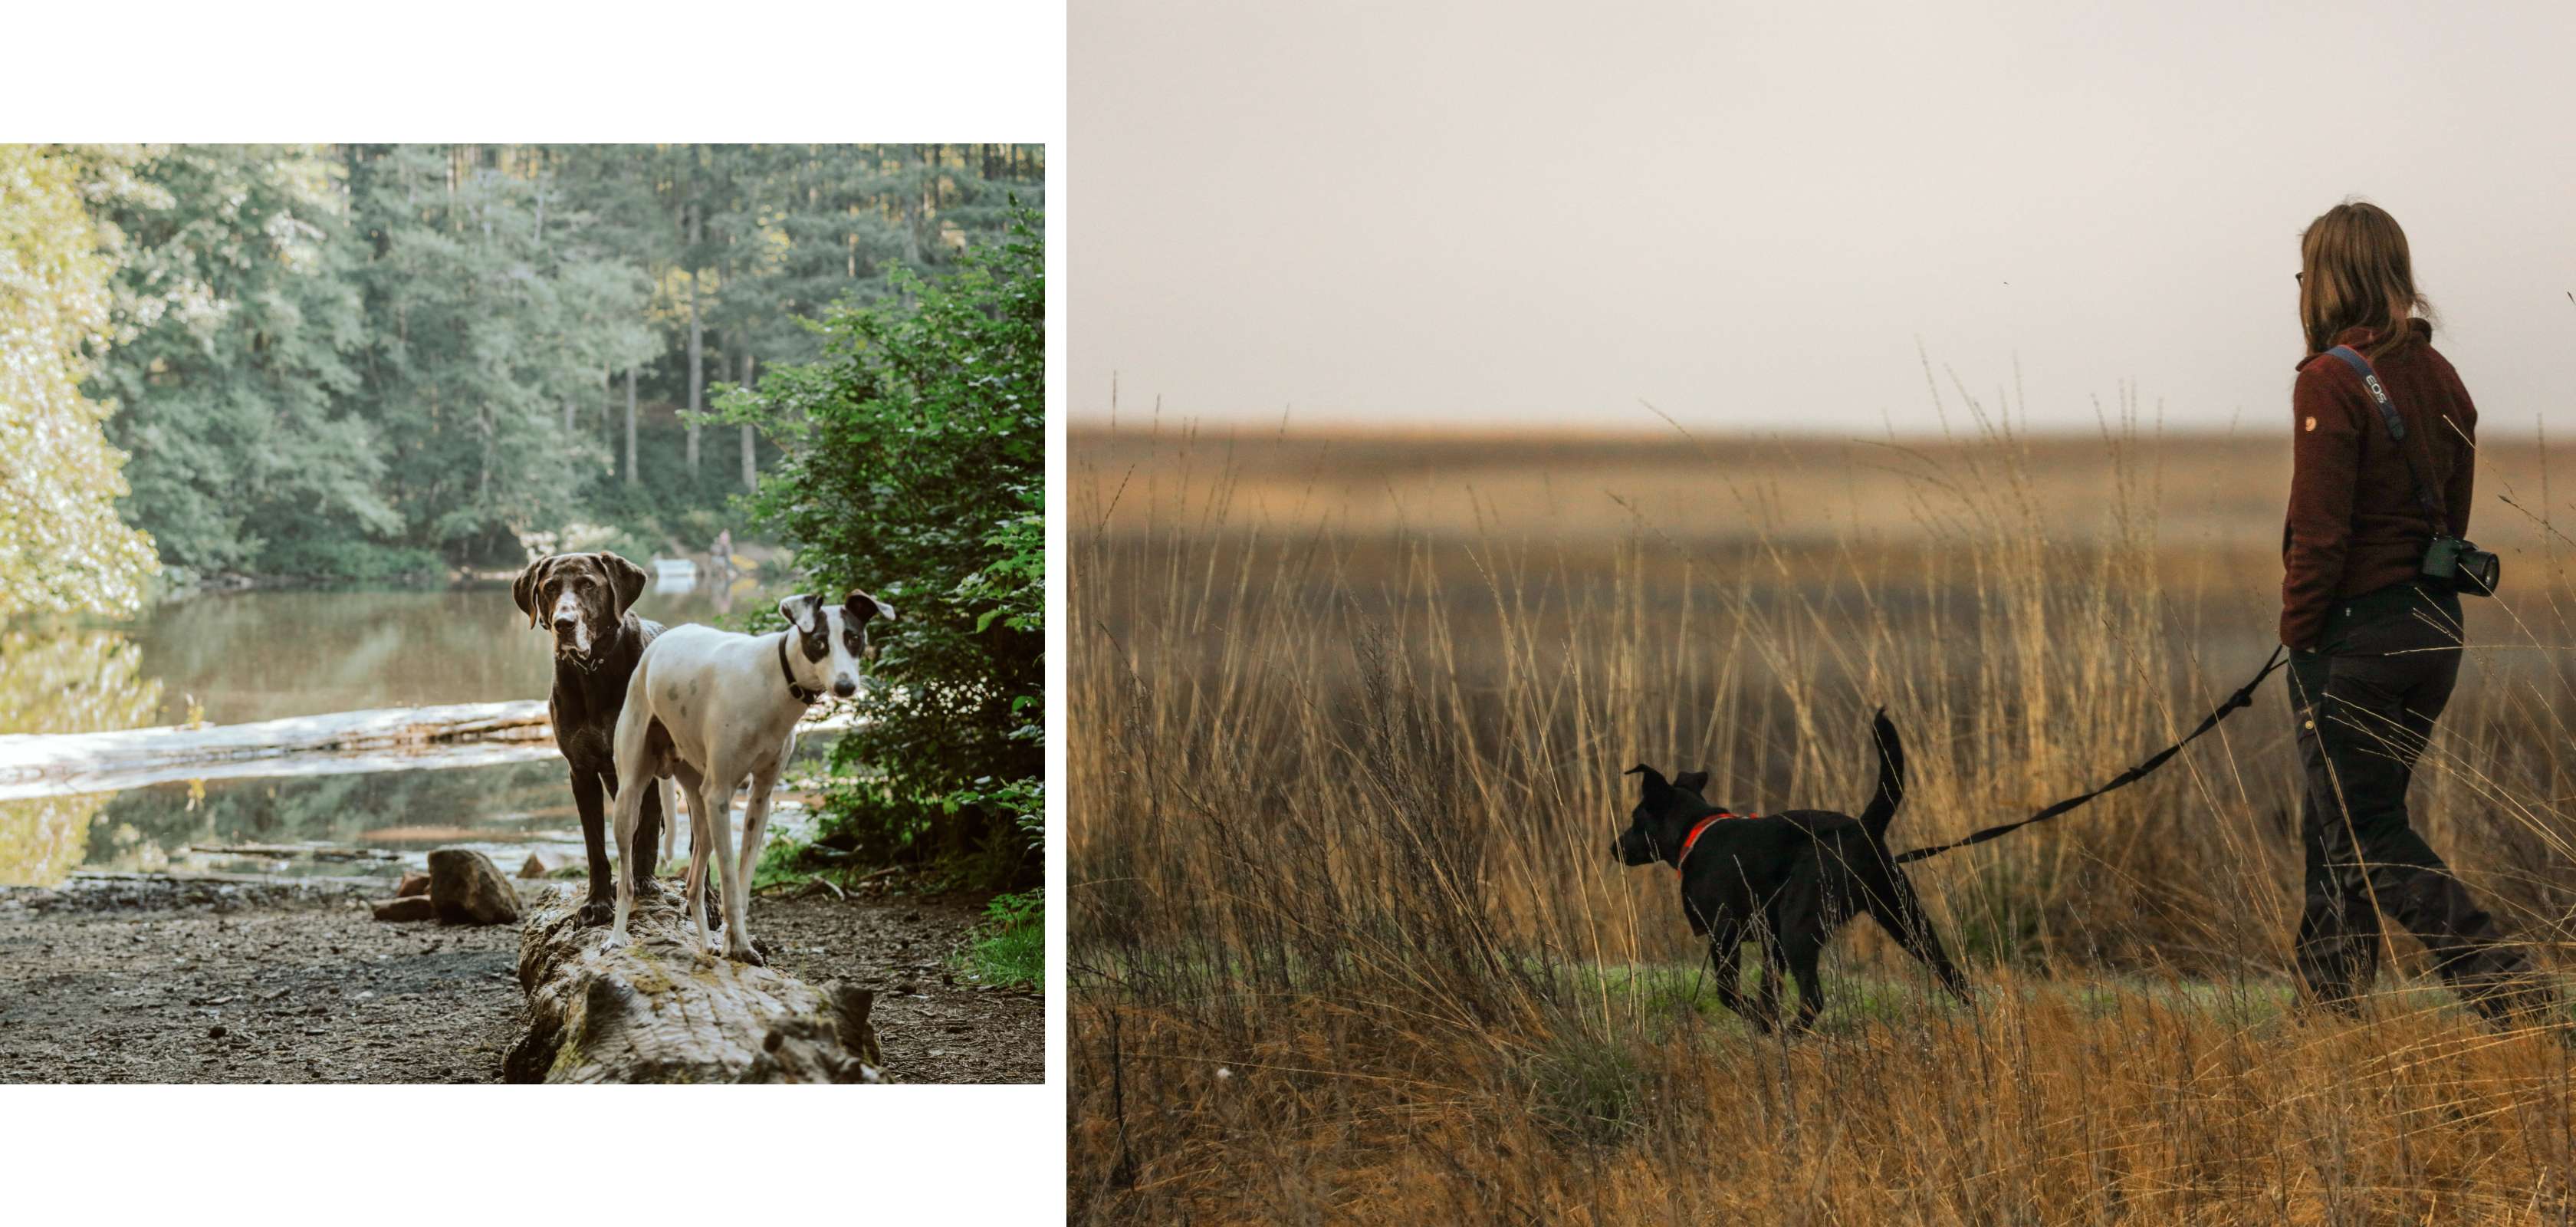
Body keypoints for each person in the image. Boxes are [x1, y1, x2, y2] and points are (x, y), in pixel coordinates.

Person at [2279, 199, 2544, 1025]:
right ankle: (2331, 1014)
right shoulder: (2442, 375)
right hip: (2434, 632)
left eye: (2305, 270)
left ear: (2329, 279)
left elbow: (2319, 535)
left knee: (2364, 834)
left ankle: (2511, 990)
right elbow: (2451, 519)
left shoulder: (2328, 379)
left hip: (2354, 642)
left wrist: (2298, 635)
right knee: (2343, 823)